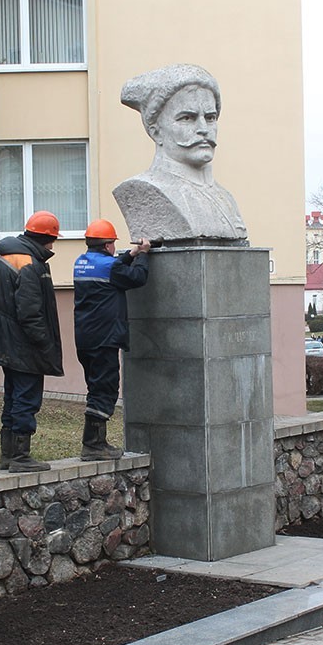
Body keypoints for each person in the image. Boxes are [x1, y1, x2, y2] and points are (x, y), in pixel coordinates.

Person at [113, 63, 247, 244]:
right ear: (155, 131)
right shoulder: (145, 190)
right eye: (187, 118)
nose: (203, 129)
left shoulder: (226, 199)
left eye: (210, 118)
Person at [0, 211, 64, 472]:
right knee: (26, 397)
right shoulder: (30, 263)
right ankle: (20, 457)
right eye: (53, 239)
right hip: (22, 342)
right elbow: (30, 311)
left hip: (5, 338)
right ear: (45, 238)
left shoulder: (9, 256)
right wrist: (44, 343)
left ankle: (8, 454)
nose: (53, 245)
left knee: (13, 395)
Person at [73, 219, 151, 460]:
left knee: (94, 387)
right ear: (108, 245)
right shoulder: (111, 268)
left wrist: (131, 252)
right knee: (105, 389)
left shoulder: (82, 262)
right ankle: (94, 444)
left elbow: (114, 267)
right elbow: (137, 277)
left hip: (85, 337)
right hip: (105, 337)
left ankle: (93, 442)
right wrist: (143, 255)